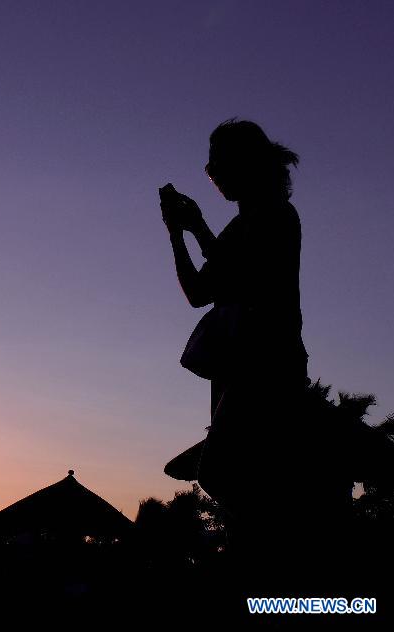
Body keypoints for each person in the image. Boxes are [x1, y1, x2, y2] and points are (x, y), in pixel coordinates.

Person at [160, 119, 352, 595]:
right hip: (238, 368)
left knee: (225, 472)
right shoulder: (245, 222)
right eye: (210, 167)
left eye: (217, 163)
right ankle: (276, 569)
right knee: (241, 476)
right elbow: (201, 290)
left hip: (267, 365)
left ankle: (285, 568)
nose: (213, 173)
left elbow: (235, 278)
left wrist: (193, 228)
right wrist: (179, 231)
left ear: (245, 165)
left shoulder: (276, 216)